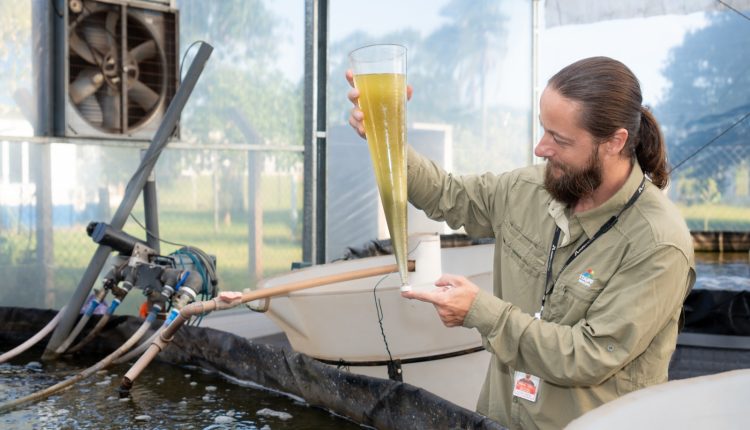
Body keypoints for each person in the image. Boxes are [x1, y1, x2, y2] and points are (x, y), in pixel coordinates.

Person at [346, 56, 696, 429]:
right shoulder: (529, 189)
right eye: (544, 129)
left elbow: (589, 355)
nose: (540, 148)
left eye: (559, 139)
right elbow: (446, 195)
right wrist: (388, 136)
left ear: (615, 142)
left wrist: (480, 311)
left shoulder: (658, 244)